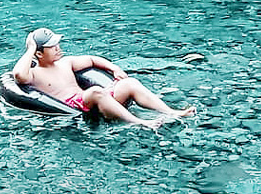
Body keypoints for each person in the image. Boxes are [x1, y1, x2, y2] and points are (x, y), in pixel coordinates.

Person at [12, 28, 195, 130]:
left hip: (88, 97)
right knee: (95, 92)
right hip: (73, 105)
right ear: (38, 53)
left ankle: (171, 112)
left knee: (128, 83)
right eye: (53, 47)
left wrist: (114, 68)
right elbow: (19, 75)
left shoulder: (66, 62)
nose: (58, 48)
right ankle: (141, 122)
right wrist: (30, 48)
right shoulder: (35, 74)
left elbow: (92, 59)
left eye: (58, 44)